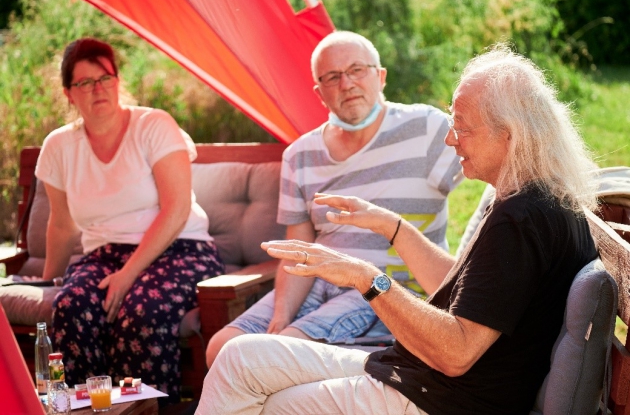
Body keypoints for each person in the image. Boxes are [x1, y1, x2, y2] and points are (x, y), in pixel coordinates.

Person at [195, 43, 600, 414]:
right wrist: (392, 226)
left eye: (462, 127)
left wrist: (365, 277)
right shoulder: (539, 202)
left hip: (438, 398)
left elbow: (456, 353)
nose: (450, 139)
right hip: (419, 376)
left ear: (508, 133)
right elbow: (472, 294)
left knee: (266, 400)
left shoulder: (521, 219)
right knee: (238, 356)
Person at [205, 31, 462, 367]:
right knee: (221, 347)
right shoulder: (300, 155)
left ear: (380, 76)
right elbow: (297, 253)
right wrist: (280, 317)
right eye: (333, 77)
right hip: (317, 284)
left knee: (279, 352)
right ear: (319, 92)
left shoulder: (427, 129)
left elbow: (493, 176)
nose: (347, 84)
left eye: (357, 70)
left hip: (384, 287)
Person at [35, 38, 225, 402]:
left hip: (179, 249)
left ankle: (146, 411)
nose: (98, 88)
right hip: (104, 256)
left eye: (105, 77)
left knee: (141, 312)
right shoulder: (59, 146)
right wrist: (48, 281)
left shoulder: (154, 125)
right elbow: (61, 224)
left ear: (118, 81)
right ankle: (87, 410)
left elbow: (176, 209)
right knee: (71, 305)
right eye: (85, 82)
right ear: (69, 94)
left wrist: (128, 275)